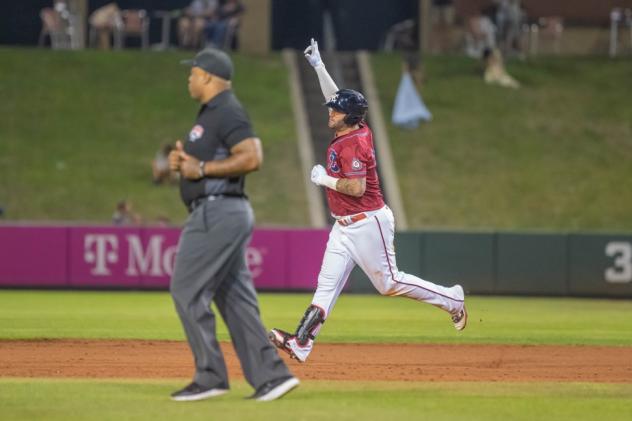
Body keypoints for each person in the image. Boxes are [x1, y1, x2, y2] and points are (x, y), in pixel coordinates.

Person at [268, 39, 468, 363]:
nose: (330, 112)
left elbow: (357, 188)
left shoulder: (354, 143)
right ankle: (302, 342)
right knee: (326, 287)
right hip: (343, 226)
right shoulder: (352, 125)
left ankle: (452, 300)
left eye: (336, 110)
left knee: (388, 284)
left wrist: (324, 180)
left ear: (349, 117)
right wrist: (319, 66)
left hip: (367, 221)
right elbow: (336, 98)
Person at [167, 48, 299, 402]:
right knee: (235, 299)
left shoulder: (226, 109)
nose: (189, 78)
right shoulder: (212, 113)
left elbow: (252, 156)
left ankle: (210, 376)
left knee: (185, 290)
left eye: (193, 72)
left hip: (217, 212)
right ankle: (272, 376)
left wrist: (203, 169)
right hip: (222, 211)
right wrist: (184, 164)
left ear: (208, 76)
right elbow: (203, 162)